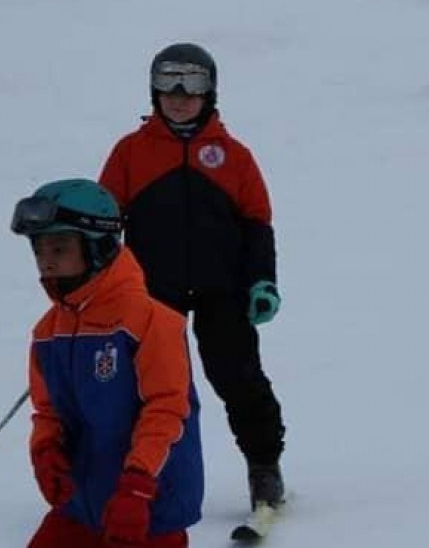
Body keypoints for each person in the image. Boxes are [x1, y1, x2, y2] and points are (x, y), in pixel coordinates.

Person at [10, 178, 218, 548]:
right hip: (88, 493)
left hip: (148, 493)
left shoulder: (151, 321)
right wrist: (45, 451)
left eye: (59, 246)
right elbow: (48, 411)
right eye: (39, 249)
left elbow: (168, 409)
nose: (46, 259)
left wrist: (138, 484)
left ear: (99, 246)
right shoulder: (47, 333)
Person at [98, 43, 287, 516]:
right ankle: (134, 473)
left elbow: (257, 224)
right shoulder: (131, 153)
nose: (180, 95)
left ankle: (264, 467)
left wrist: (262, 282)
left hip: (222, 287)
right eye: (169, 82)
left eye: (193, 83)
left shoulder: (234, 156)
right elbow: (103, 223)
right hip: (153, 291)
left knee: (237, 376)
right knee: (149, 385)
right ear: (153, 89)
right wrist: (99, 280)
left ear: (211, 91)